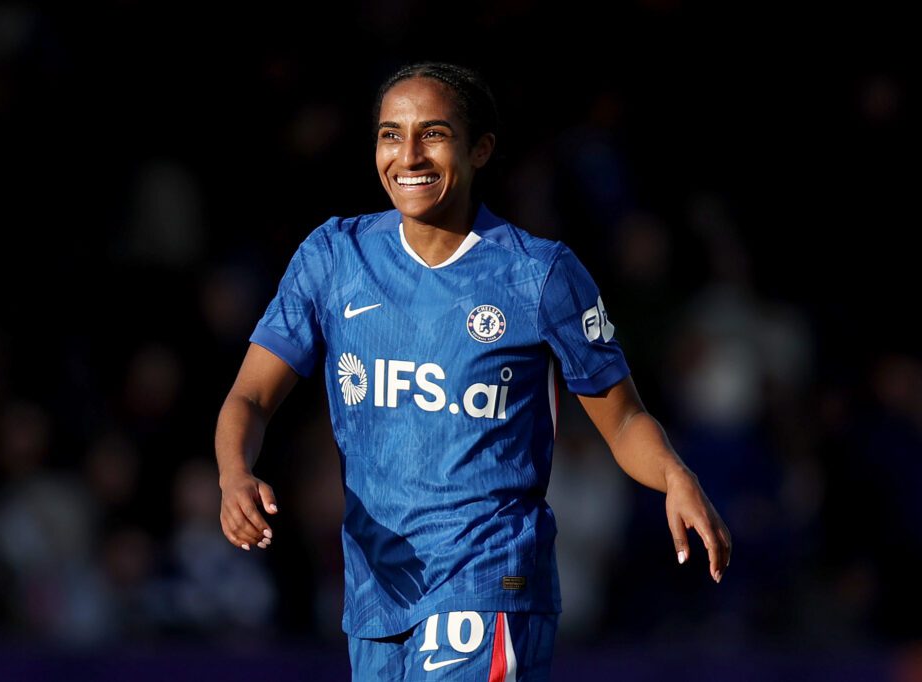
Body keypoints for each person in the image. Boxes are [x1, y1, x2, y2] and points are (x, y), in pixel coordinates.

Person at [215, 61, 732, 681]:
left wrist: (673, 473)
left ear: (480, 148)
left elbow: (621, 421)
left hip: (490, 579)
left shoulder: (538, 275)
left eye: (433, 133)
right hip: (378, 588)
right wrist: (233, 473)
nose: (408, 154)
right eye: (390, 134)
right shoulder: (333, 257)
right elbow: (250, 396)